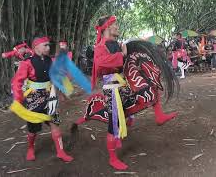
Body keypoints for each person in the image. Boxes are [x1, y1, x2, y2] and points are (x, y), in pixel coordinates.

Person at [71, 15, 178, 170]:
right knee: (114, 123)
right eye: (115, 25)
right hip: (112, 89)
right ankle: (113, 158)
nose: (117, 27)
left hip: (124, 84)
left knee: (149, 85)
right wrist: (122, 55)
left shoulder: (117, 44)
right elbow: (101, 64)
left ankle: (159, 115)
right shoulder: (101, 46)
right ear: (107, 27)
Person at [11, 36, 73, 162]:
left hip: (50, 97)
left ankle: (60, 152)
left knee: (55, 123)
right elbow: (17, 81)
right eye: (45, 45)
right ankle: (30, 148)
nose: (48, 47)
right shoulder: (27, 63)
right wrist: (18, 98)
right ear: (36, 47)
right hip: (34, 98)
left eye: (48, 45)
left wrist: (62, 92)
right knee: (33, 127)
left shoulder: (51, 61)